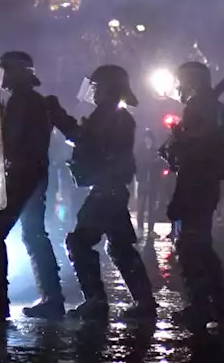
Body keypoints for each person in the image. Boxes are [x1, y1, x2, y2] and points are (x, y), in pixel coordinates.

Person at [49, 65, 156, 319]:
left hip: (106, 189)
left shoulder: (109, 115)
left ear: (108, 87)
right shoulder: (118, 116)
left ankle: (96, 300)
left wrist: (59, 118)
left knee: (79, 241)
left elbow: (84, 139)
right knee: (119, 247)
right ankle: (144, 302)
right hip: (113, 188)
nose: (93, 92)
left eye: (97, 86)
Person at [0, 51, 64, 322]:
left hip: (23, 173)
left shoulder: (23, 101)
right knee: (33, 234)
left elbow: (9, 139)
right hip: (34, 173)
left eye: (5, 70)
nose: (1, 76)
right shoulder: (31, 101)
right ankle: (52, 299)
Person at [160, 62, 224, 330]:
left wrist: (179, 142)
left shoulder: (203, 107)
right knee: (202, 248)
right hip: (202, 185)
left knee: (190, 248)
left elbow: (198, 148)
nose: (179, 88)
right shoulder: (213, 108)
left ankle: (201, 306)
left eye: (182, 82)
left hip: (197, 186)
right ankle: (219, 307)